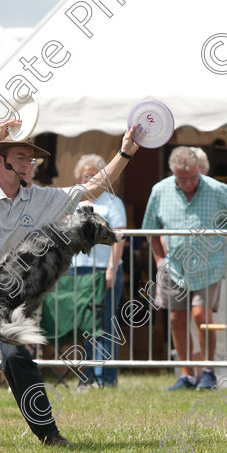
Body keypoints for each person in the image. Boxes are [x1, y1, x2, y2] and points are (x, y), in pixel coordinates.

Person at [0, 120, 140, 448]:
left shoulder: (42, 198)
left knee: (17, 360)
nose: (28, 164)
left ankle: (49, 435)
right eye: (20, 157)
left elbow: (92, 189)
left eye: (30, 160)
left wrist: (125, 153)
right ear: (0, 160)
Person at [142, 146, 227, 391]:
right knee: (176, 318)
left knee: (200, 317)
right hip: (174, 268)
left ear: (199, 171)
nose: (189, 182)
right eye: (183, 179)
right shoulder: (160, 191)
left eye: (193, 177)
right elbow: (149, 229)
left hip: (209, 267)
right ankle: (187, 375)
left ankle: (207, 371)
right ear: (173, 173)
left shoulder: (218, 189)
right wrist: (160, 260)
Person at [69, 154, 127, 388]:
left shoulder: (113, 202)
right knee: (85, 325)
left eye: (94, 175)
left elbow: (120, 238)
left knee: (105, 322)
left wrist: (112, 268)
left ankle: (106, 378)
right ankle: (88, 376)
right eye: (85, 175)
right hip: (77, 271)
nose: (90, 179)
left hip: (104, 270)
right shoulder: (72, 202)